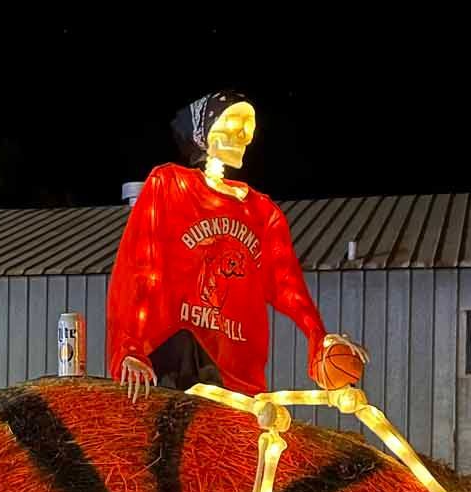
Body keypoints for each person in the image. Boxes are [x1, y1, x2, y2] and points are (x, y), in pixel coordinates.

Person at [107, 90, 366, 400]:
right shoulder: (171, 185)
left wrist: (319, 337)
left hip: (237, 375)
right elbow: (141, 269)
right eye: (233, 120)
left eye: (249, 124)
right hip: (174, 361)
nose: (243, 133)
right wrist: (130, 345)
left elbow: (288, 285)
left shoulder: (263, 212)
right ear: (205, 128)